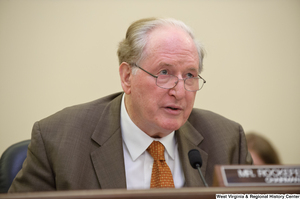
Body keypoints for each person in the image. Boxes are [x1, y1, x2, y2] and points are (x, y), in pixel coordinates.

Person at [9, 17, 252, 192]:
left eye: (189, 75)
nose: (179, 91)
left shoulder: (228, 141)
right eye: (164, 72)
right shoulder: (58, 140)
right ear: (127, 77)